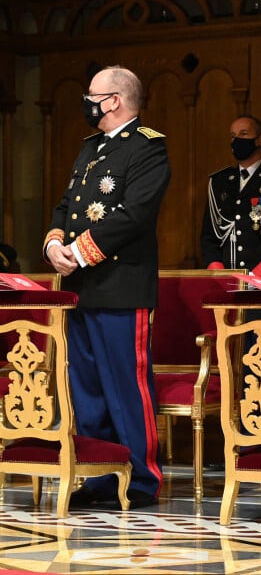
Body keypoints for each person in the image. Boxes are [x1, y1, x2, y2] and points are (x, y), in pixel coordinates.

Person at [43, 65, 170, 509]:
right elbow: (67, 204)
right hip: (82, 289)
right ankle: (98, 477)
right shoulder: (91, 148)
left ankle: (140, 480)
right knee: (89, 388)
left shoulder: (148, 149)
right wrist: (55, 242)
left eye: (92, 94)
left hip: (121, 287)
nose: (87, 101)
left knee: (125, 387)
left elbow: (133, 215)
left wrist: (78, 253)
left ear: (113, 100)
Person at [200, 115, 261, 271]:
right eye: (233, 136)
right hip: (228, 279)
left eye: (244, 134)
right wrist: (218, 272)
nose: (237, 140)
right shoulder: (219, 182)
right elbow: (209, 236)